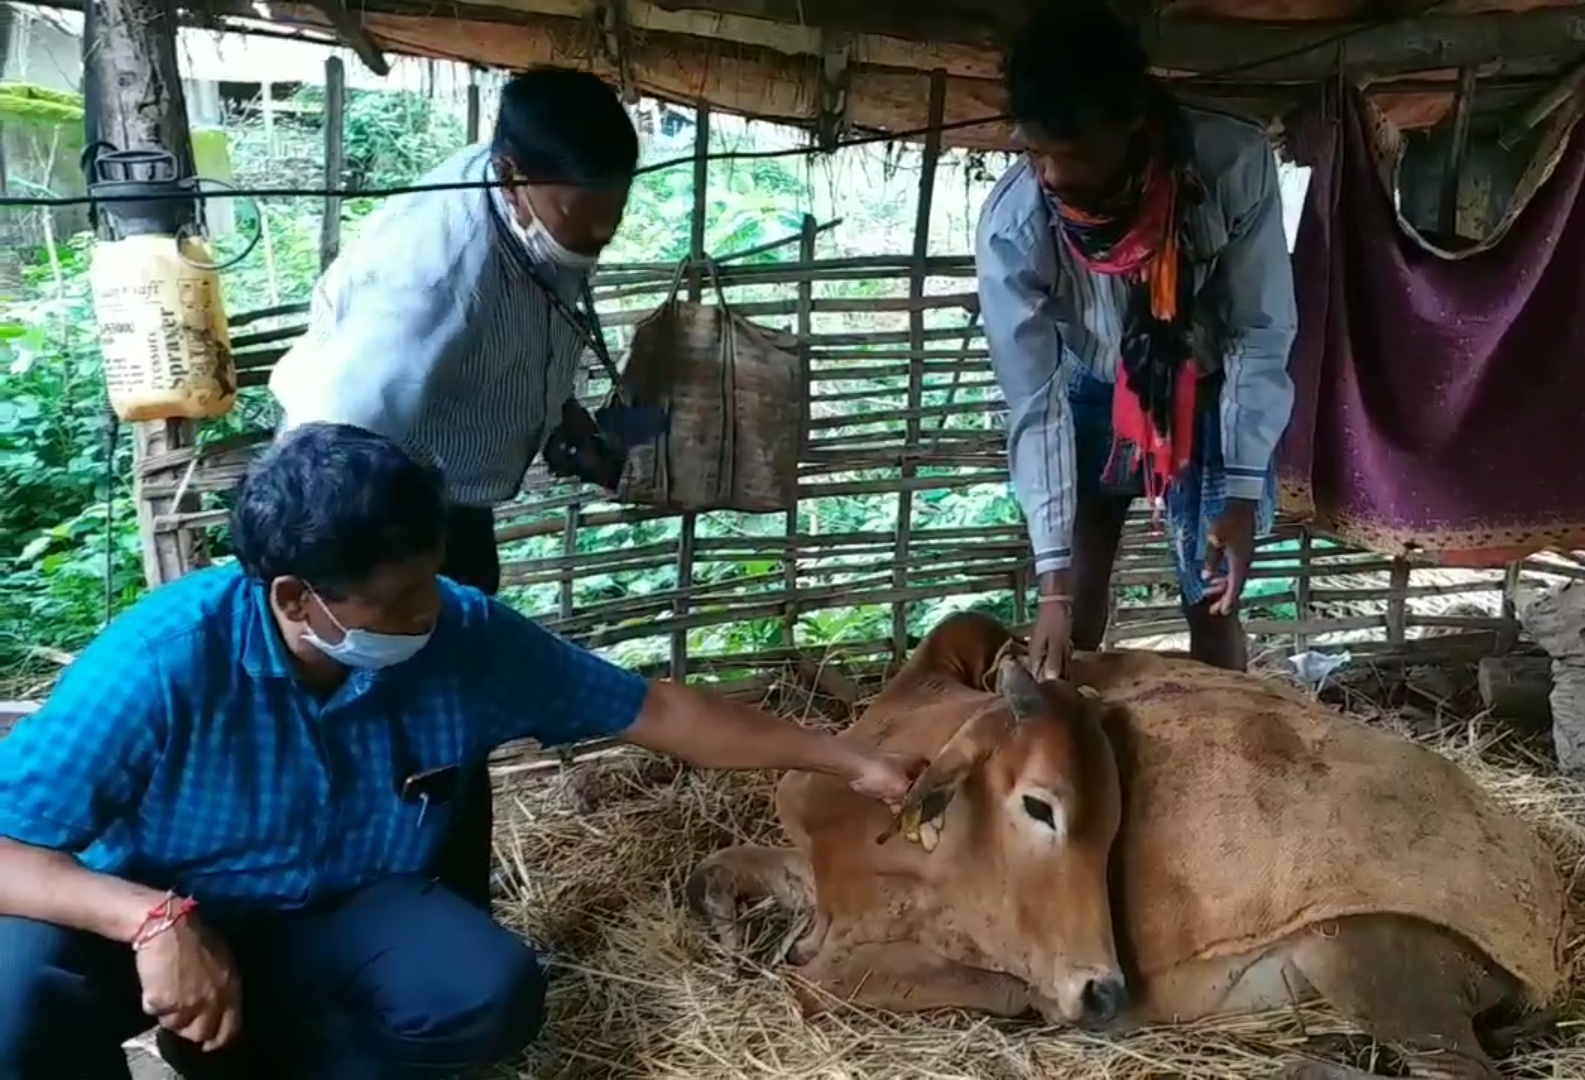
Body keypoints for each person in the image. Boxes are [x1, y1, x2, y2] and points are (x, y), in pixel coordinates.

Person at [0, 423, 921, 1080]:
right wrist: (153, 921)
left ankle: (257, 1061)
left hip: (321, 921)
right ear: (294, 599)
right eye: (396, 604)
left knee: (485, 990)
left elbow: (661, 712)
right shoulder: (161, 664)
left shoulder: (466, 637)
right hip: (148, 925)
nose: (427, 616)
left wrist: (852, 761)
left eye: (431, 584)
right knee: (16, 995)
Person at [268, 66, 642, 915]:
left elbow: (537, 311)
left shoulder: (542, 200)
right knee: (409, 726)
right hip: (373, 530)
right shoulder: (426, 284)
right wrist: (347, 592)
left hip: (448, 508)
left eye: (608, 228)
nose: (592, 245)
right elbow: (325, 444)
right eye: (579, 227)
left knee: (452, 720)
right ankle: (398, 914)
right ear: (513, 178)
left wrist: (562, 410)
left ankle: (456, 914)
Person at [976, 0, 1298, 677]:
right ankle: (1073, 748)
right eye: (1038, 153)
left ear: (1134, 125)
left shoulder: (1229, 167)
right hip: (1091, 386)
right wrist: (1052, 586)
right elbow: (1034, 399)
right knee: (1078, 591)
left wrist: (1239, 494)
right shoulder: (1016, 224)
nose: (1056, 177)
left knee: (1210, 593)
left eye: (1081, 153)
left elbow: (1258, 331)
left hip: (1205, 392)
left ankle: (1222, 754)